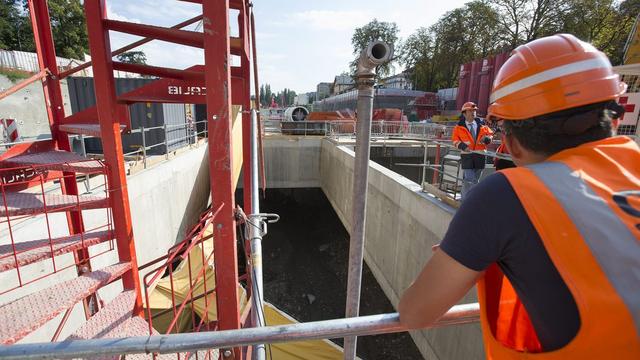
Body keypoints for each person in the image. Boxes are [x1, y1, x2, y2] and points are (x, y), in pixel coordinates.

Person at [399, 33, 640, 358]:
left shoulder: (506, 198)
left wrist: (480, 244)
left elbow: (415, 313)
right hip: (470, 161)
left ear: (510, 142)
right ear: (614, 116)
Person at [451, 102, 494, 200]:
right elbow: (454, 140)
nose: (473, 112)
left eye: (474, 111)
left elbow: (490, 134)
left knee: (475, 179)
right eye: (470, 110)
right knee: (469, 178)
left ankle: (470, 199)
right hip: (467, 156)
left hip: (481, 155)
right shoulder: (458, 127)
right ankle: (466, 200)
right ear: (464, 113)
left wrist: (488, 138)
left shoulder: (482, 124)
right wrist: (462, 146)